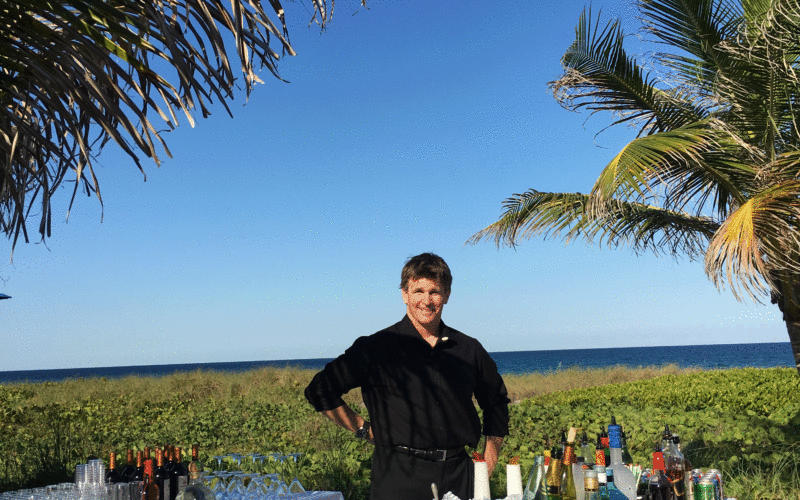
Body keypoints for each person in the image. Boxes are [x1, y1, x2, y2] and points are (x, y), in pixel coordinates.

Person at [304, 253, 510, 500]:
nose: (427, 300)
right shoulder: (376, 347)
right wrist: (363, 429)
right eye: (418, 291)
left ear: (446, 295)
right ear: (404, 294)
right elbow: (320, 389)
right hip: (397, 477)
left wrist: (488, 461)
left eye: (435, 291)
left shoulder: (468, 349)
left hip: (459, 475)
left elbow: (496, 402)